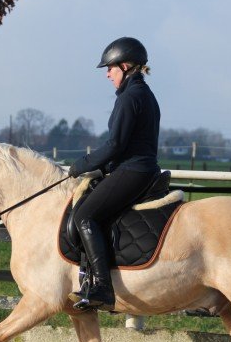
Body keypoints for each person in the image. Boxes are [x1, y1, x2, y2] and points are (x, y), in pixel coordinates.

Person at [67, 37, 161, 311]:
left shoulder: (131, 97)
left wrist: (82, 164)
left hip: (133, 170)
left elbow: (115, 145)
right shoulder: (144, 94)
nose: (107, 74)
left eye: (110, 68)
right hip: (139, 168)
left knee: (85, 216)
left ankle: (103, 289)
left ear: (125, 65)